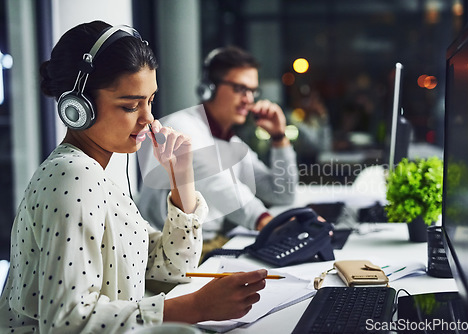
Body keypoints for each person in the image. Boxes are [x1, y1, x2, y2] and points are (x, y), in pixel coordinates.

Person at [0, 21, 267, 333]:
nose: (148, 119)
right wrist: (197, 307)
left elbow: (173, 268)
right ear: (78, 108)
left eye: (150, 101)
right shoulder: (71, 178)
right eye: (130, 106)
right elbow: (66, 323)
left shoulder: (97, 175)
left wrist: (182, 176)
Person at [137, 46, 298, 254]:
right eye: (240, 88)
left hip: (204, 244)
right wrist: (264, 220)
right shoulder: (182, 125)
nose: (249, 99)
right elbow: (215, 178)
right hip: (164, 251)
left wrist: (279, 138)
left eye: (252, 91)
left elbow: (282, 193)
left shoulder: (233, 143)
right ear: (209, 88)